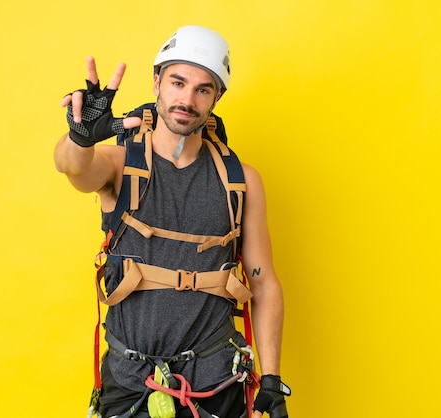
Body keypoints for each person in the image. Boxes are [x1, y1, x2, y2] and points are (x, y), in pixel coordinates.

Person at [54, 25, 290, 418]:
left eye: (203, 88)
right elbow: (73, 169)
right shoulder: (120, 164)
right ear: (156, 83)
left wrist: (272, 379)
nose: (187, 99)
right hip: (130, 381)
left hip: (216, 380)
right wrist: (80, 139)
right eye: (178, 82)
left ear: (217, 97)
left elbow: (263, 282)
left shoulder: (242, 181)